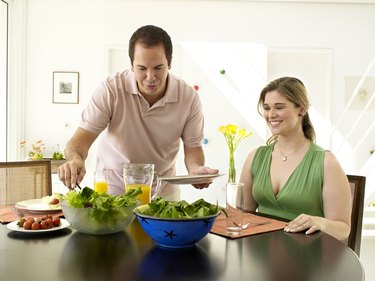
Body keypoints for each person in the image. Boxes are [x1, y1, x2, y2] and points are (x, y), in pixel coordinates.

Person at [57, 25, 218, 200]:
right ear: (132, 64)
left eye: (158, 67)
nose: (150, 77)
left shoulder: (188, 97)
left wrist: (196, 170)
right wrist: (75, 159)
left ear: (169, 62)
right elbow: (78, 143)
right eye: (142, 68)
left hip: (162, 192)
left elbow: (193, 149)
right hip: (113, 192)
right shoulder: (111, 90)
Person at [239, 76, 351, 241]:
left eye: (279, 107)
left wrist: (321, 222)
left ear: (302, 109)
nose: (271, 115)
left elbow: (343, 229)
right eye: (267, 108)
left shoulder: (326, 162)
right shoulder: (255, 157)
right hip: (260, 253)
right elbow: (241, 215)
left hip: (307, 255)